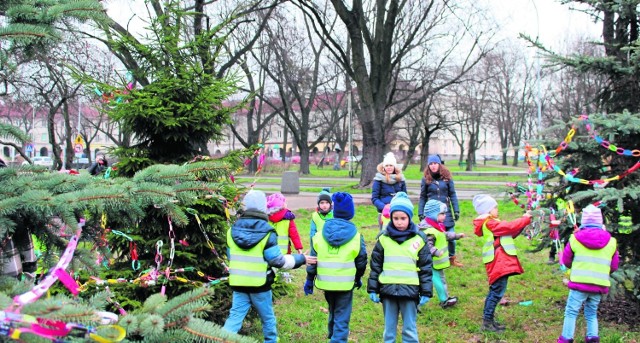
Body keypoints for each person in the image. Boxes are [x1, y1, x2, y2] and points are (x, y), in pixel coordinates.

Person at [222, 190, 316, 343]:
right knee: (267, 318)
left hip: (238, 283)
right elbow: (277, 261)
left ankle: (221, 339)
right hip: (260, 285)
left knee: (234, 318)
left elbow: (231, 257)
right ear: (263, 208)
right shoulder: (267, 232)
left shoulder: (231, 231)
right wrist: (301, 259)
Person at [368, 192, 432, 343]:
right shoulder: (383, 239)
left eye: (403, 218)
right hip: (388, 290)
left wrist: (426, 291)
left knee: (409, 329)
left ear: (409, 218)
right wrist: (373, 288)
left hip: (410, 291)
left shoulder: (419, 240)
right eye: (395, 218)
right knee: (389, 330)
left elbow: (425, 267)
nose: (399, 222)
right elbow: (375, 265)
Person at [305, 192, 367, 343]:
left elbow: (313, 260)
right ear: (351, 213)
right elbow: (361, 261)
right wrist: (358, 278)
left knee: (333, 308)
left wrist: (309, 280)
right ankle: (338, 339)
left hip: (326, 282)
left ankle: (332, 335)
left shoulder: (319, 235)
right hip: (345, 284)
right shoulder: (356, 236)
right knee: (342, 313)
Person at [558, 205, 619, 343]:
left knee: (571, 312)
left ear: (584, 222)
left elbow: (567, 262)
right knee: (591, 314)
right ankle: (592, 338)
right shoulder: (611, 242)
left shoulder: (575, 239)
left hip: (579, 284)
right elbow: (614, 266)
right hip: (598, 285)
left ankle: (566, 338)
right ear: (600, 222)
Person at [472, 194, 532, 333]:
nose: (497, 209)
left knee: (497, 291)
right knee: (496, 292)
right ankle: (487, 322)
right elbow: (509, 227)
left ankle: (490, 321)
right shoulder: (490, 223)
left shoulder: (492, 222)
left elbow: (510, 232)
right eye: (495, 207)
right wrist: (525, 218)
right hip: (497, 261)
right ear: (488, 210)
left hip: (499, 261)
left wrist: (524, 222)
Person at [418, 199, 466, 308]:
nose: (445, 216)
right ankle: (441, 301)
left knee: (437, 280)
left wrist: (457, 236)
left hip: (434, 263)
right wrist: (436, 252)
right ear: (433, 214)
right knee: (436, 281)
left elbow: (445, 235)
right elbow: (427, 245)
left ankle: (443, 299)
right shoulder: (429, 230)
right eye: (442, 214)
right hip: (432, 263)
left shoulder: (436, 226)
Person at [418, 154, 463, 267]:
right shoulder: (426, 179)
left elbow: (452, 194)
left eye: (435, 163)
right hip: (432, 214)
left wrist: (456, 210)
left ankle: (452, 258)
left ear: (439, 164)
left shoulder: (447, 178)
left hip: (446, 212)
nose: (433, 166)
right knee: (434, 237)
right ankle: (434, 257)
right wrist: (420, 212)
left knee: (451, 238)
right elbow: (423, 197)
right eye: (431, 164)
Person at [371, 152, 407, 230]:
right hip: (384, 213)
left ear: (394, 166)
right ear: (384, 167)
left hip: (398, 212)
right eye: (387, 165)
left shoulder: (401, 179)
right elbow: (374, 198)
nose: (389, 167)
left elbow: (405, 197)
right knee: (384, 235)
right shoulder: (378, 180)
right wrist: (384, 207)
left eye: (391, 165)